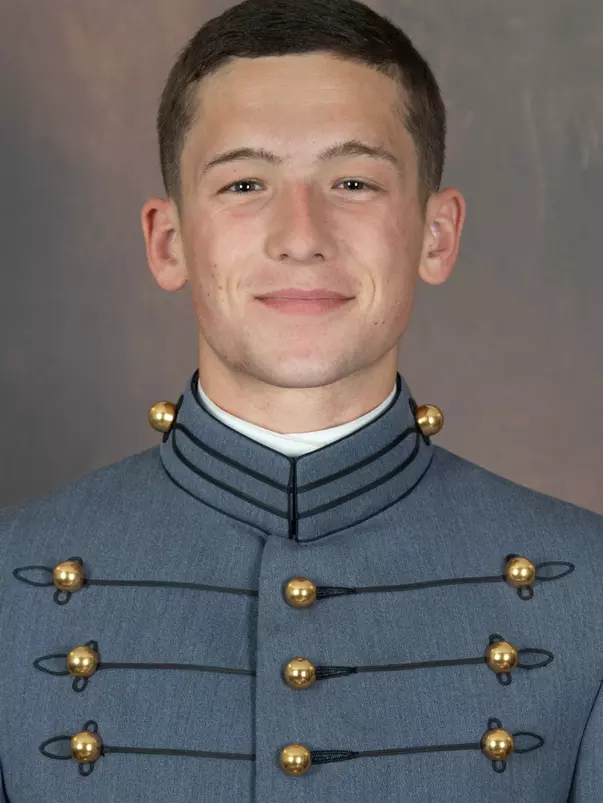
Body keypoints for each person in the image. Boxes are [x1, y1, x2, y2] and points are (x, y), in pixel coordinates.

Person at [0, 0, 601, 800]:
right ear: (168, 241)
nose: (300, 233)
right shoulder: (11, 580)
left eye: (352, 181)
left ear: (435, 234)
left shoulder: (587, 587)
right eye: (244, 183)